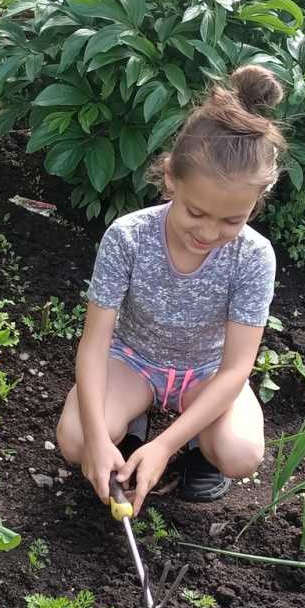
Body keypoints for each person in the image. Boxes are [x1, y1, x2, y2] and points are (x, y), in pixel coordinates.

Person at [56, 64, 282, 515]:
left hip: (207, 373)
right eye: (196, 212)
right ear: (171, 179)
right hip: (133, 361)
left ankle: (197, 446)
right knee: (77, 441)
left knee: (241, 454)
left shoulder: (254, 256)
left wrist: (165, 447)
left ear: (254, 205)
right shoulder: (129, 237)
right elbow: (95, 343)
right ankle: (130, 425)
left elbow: (237, 369)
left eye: (232, 220)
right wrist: (100, 442)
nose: (210, 231)